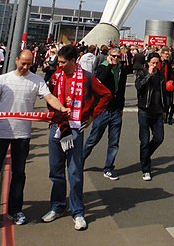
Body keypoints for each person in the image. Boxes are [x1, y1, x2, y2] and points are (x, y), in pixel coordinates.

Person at [0, 50, 69, 226]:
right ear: (16, 60)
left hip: (22, 135)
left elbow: (49, 97)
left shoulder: (36, 81)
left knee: (19, 174)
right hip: (0, 133)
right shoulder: (4, 79)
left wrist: (60, 108)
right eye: (23, 63)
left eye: (29, 64)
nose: (25, 66)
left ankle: (15, 211)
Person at [43, 45, 111, 231]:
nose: (60, 65)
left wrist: (91, 116)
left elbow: (106, 94)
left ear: (73, 61)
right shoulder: (56, 76)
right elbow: (48, 96)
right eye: (59, 62)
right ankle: (57, 206)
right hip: (56, 128)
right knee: (55, 171)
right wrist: (52, 114)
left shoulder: (87, 78)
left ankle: (78, 211)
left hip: (74, 129)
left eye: (63, 62)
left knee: (74, 172)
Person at [83, 47, 128, 180]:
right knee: (93, 139)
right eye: (113, 56)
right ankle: (79, 160)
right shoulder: (102, 68)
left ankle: (109, 168)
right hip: (103, 110)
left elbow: (122, 89)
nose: (116, 59)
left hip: (116, 111)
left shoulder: (122, 70)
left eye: (118, 57)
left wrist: (121, 107)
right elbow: (99, 82)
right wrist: (108, 65)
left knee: (114, 142)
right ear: (108, 56)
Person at [135, 52, 167, 180]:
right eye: (152, 62)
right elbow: (139, 86)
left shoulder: (160, 75)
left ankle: (145, 155)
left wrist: (165, 108)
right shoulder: (142, 72)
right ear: (148, 63)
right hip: (144, 110)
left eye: (157, 63)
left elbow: (163, 92)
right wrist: (148, 74)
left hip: (158, 111)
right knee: (144, 140)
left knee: (159, 138)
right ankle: (145, 169)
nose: (155, 65)